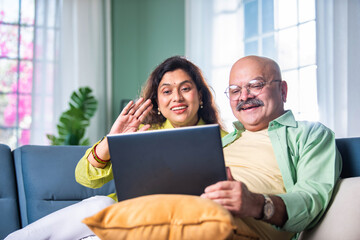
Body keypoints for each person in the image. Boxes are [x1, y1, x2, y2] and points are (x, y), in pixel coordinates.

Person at [5, 56, 227, 240]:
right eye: (167, 91)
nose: (177, 97)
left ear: (200, 95)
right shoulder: (142, 132)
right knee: (101, 204)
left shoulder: (225, 140)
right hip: (120, 219)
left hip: (170, 226)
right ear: (157, 103)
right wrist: (111, 142)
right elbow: (84, 178)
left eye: (185, 88)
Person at [201, 55, 342, 239]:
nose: (244, 96)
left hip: (239, 221)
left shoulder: (311, 134)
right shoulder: (219, 142)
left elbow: (311, 200)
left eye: (256, 85)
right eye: (235, 90)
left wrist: (256, 203)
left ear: (282, 90)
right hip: (193, 206)